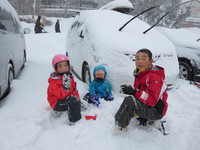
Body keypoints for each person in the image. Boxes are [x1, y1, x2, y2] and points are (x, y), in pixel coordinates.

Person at [115, 48, 168, 129]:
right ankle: (141, 116)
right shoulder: (141, 73)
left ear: (150, 61)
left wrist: (134, 92)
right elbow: (141, 93)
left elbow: (152, 99)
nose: (139, 61)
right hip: (149, 106)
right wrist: (132, 91)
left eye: (143, 58)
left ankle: (119, 126)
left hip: (156, 110)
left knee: (129, 101)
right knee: (131, 99)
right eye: (137, 58)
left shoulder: (154, 77)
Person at [47, 54, 81, 123]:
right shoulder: (54, 81)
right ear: (55, 68)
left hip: (67, 99)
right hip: (57, 103)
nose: (63, 68)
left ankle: (75, 106)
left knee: (75, 100)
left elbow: (74, 90)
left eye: (66, 65)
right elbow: (60, 95)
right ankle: (75, 121)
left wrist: (78, 100)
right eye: (60, 66)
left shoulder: (70, 77)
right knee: (73, 101)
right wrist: (65, 88)